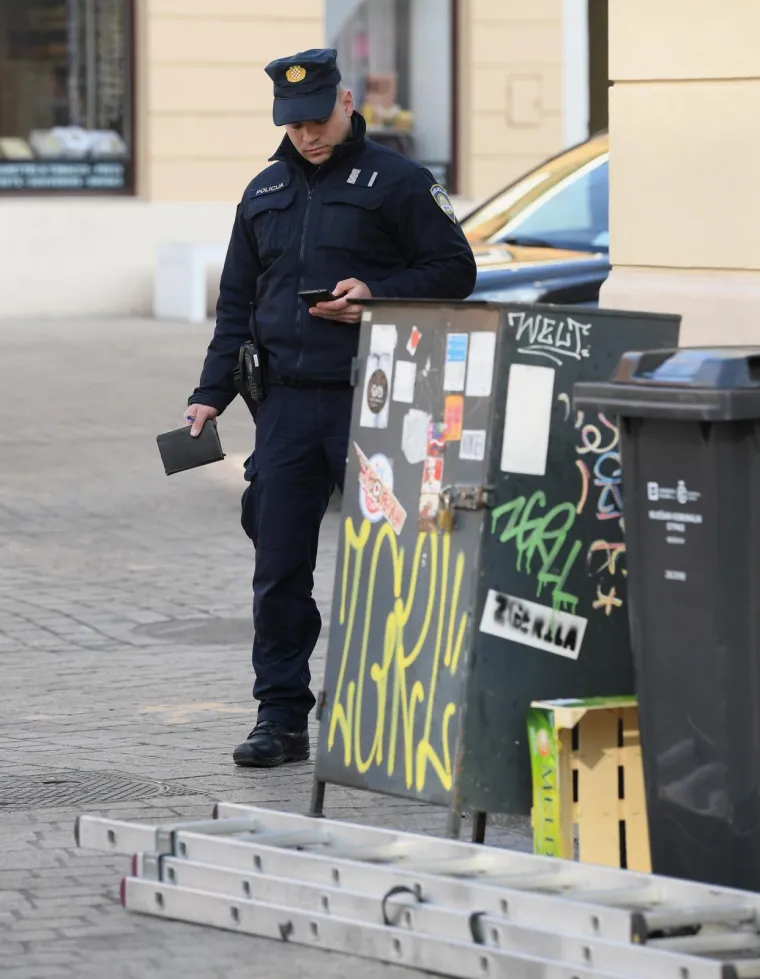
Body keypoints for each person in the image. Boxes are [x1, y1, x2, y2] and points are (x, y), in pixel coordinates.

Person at [184, 48, 476, 769]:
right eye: (293, 125)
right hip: (284, 408)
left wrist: (377, 293)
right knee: (279, 566)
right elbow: (236, 307)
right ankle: (280, 717)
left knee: (397, 564)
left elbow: (455, 270)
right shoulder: (261, 193)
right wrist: (208, 394)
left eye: (316, 120)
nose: (307, 135)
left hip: (376, 402)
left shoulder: (398, 183)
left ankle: (402, 715)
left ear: (346, 103)